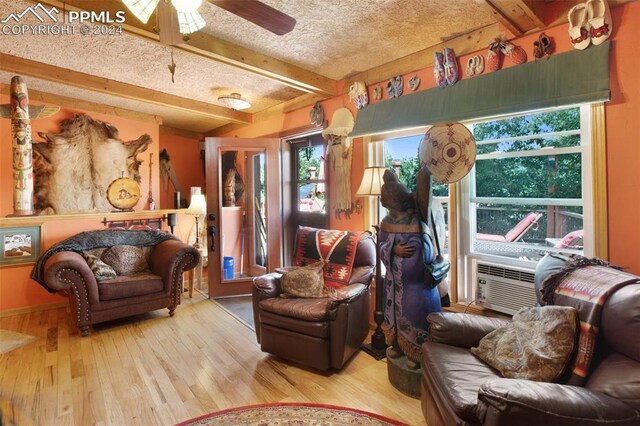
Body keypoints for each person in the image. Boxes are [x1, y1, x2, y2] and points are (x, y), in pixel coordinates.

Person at [379, 170, 442, 368]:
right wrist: (393, 249)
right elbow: (380, 243)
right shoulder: (387, 222)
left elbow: (423, 252)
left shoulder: (416, 223)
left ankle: (415, 354)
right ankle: (397, 345)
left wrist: (401, 254)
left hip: (413, 287)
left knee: (414, 317)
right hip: (392, 285)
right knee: (394, 318)